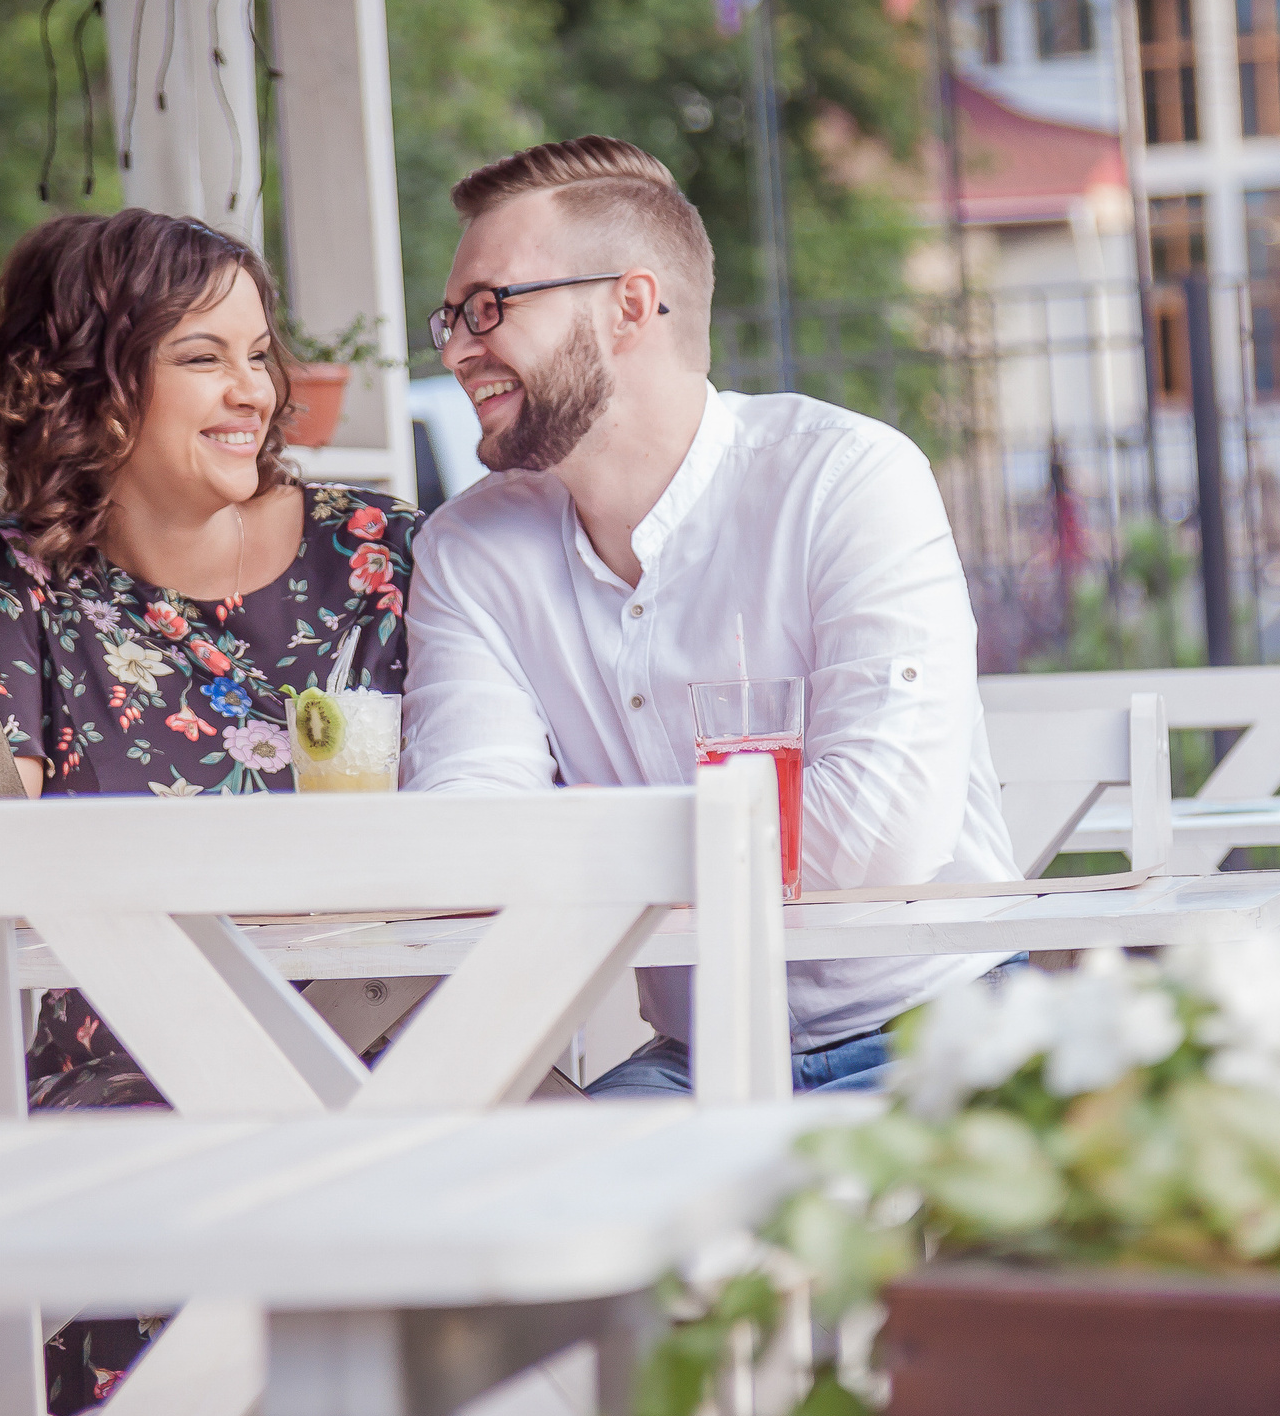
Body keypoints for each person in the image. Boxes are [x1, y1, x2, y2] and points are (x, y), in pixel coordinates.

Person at [0, 208, 418, 1416]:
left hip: (405, 1052)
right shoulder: (9, 583)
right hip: (136, 1084)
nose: (254, 391)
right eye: (202, 357)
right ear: (84, 381)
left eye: (260, 352)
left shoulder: (384, 557)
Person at [401, 137, 1016, 1095]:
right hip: (703, 1064)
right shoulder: (468, 549)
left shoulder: (845, 477)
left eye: (489, 307)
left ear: (631, 306)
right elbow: (467, 841)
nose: (454, 347)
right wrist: (709, 837)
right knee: (506, 1213)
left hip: (943, 1037)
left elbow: (874, 834)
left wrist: (578, 842)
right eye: (449, 316)